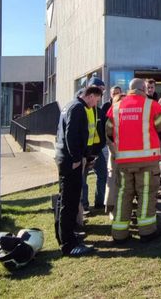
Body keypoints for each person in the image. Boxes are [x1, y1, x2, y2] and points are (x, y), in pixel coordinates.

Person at [105, 79, 161, 243]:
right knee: (147, 195)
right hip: (147, 161)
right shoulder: (152, 105)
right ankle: (147, 231)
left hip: (123, 162)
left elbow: (108, 130)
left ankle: (119, 233)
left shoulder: (115, 107)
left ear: (130, 89)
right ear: (143, 88)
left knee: (123, 195)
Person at [55, 84, 103, 256]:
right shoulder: (78, 108)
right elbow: (71, 135)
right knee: (70, 201)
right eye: (96, 101)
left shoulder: (69, 105)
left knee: (66, 200)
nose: (95, 105)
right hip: (70, 162)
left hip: (64, 158)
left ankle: (65, 236)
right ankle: (68, 245)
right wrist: (76, 159)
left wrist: (86, 157)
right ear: (90, 96)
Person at [81, 76, 108, 215]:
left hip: (96, 150)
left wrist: (98, 149)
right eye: (100, 90)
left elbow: (102, 130)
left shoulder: (100, 111)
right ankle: (84, 206)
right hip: (84, 152)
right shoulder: (81, 108)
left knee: (102, 175)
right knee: (82, 179)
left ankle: (99, 203)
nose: (101, 95)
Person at [102, 86, 122, 218]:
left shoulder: (122, 111)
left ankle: (120, 207)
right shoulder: (109, 111)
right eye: (114, 94)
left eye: (118, 94)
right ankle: (111, 208)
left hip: (124, 153)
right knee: (112, 179)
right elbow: (108, 134)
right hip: (114, 152)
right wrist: (114, 149)